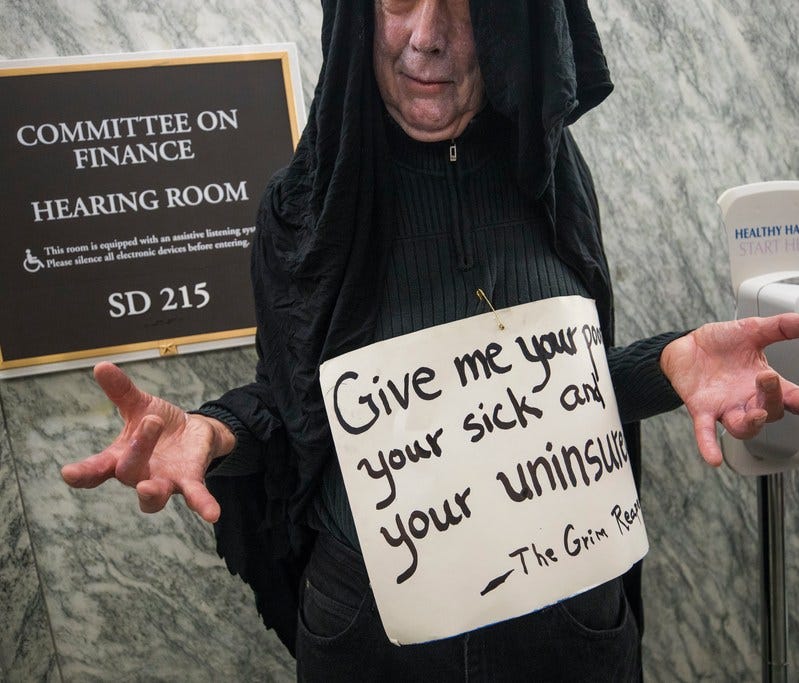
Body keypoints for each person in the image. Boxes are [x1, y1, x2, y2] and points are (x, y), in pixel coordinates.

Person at [61, 1, 799, 680]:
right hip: (372, 634)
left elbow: (549, 396)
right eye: (397, 1)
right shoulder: (303, 206)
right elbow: (299, 410)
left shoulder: (552, 177)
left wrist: (666, 365)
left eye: (464, 3)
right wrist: (211, 430)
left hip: (567, 620)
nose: (427, 35)